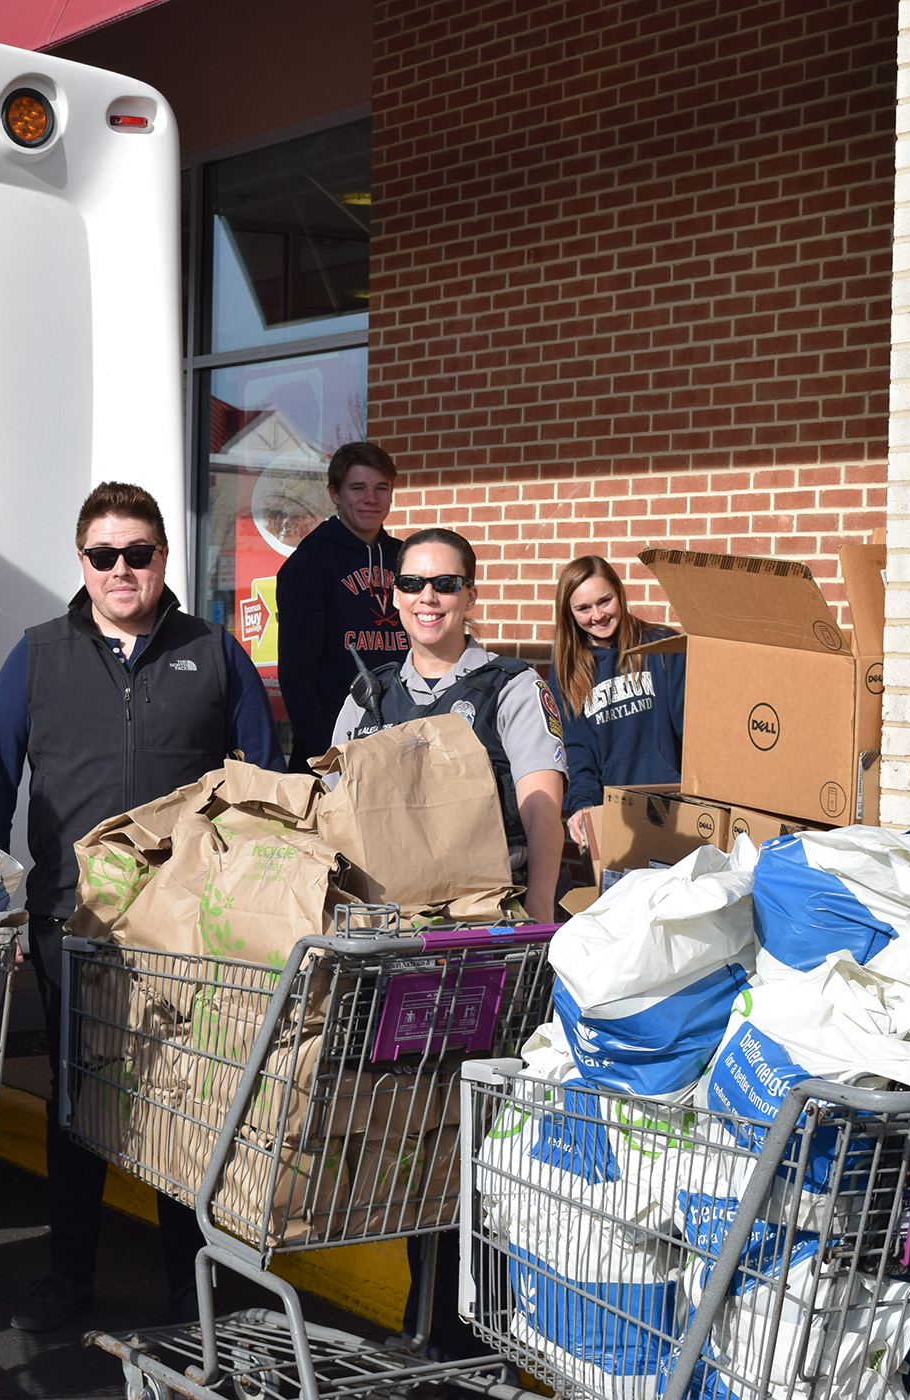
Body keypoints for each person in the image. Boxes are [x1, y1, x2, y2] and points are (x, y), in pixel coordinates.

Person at [0, 481, 285, 1333]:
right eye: (103, 555)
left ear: (162, 559)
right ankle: (69, 1277)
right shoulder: (37, 654)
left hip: (189, 930)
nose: (121, 570)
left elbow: (267, 790)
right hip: (75, 926)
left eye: (137, 553)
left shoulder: (214, 652)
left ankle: (193, 1291)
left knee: (186, 1109)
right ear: (82, 563)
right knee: (79, 1109)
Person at [331, 526, 565, 1359]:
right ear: (393, 595)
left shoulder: (510, 684)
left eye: (447, 583)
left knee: (478, 1130)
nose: (429, 597)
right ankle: (425, 1324)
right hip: (393, 949)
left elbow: (540, 794)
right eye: (414, 582)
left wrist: (537, 910)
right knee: (415, 1126)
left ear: (472, 594)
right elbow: (335, 804)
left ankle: (481, 1328)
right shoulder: (368, 693)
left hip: (487, 942)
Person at [275, 442, 408, 769]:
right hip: (338, 747)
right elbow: (297, 673)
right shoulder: (309, 564)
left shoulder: (407, 558)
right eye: (358, 488)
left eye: (381, 488)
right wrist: (325, 754)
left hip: (404, 740)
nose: (371, 499)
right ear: (335, 494)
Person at [548, 555, 687, 855]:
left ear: (619, 594)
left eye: (604, 601)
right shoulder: (566, 670)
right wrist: (585, 806)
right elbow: (576, 749)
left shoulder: (661, 646)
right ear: (569, 613)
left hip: (677, 808)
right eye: (583, 608)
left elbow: (693, 728)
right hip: (613, 815)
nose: (597, 615)